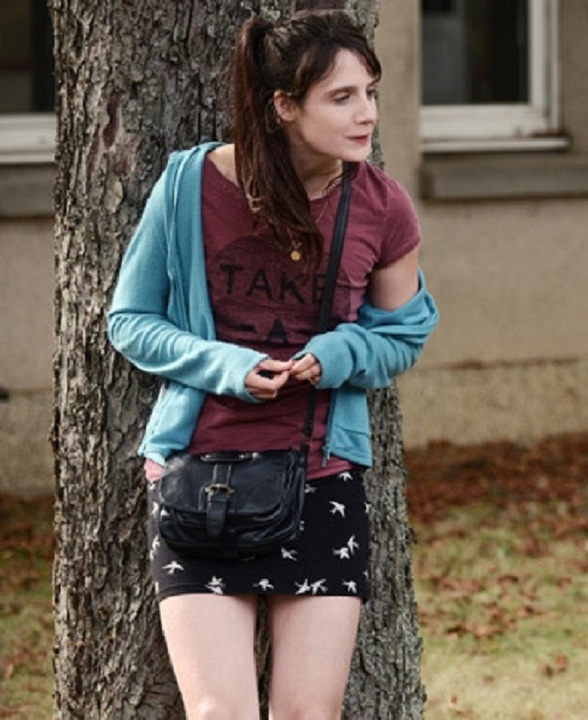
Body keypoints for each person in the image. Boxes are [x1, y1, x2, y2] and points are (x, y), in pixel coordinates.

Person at [107, 10, 437, 718]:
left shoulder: (382, 206)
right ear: (285, 105)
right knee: (218, 712)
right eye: (341, 97)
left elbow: (403, 334)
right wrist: (226, 365)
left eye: (370, 92)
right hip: (199, 476)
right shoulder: (189, 186)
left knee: (307, 714)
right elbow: (130, 321)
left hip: (321, 476)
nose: (367, 114)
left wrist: (336, 355)